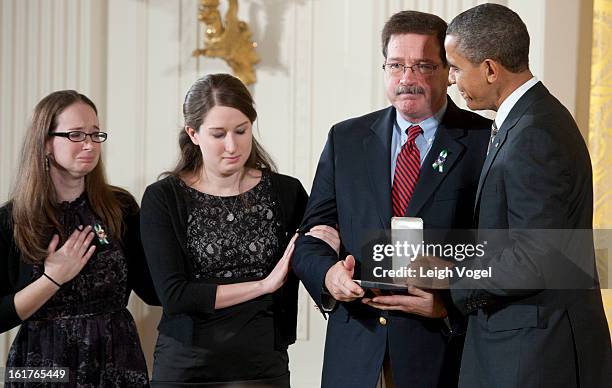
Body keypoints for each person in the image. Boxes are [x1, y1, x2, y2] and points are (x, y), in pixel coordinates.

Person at [292, 10, 491, 388]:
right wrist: (329, 275)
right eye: (396, 65)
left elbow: (500, 250)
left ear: (448, 71)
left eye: (422, 66)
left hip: (441, 354)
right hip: (356, 351)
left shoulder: (484, 140)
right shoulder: (346, 140)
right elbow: (311, 237)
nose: (407, 79)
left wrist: (448, 307)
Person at [444, 3, 612, 387]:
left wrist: (449, 278)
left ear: (489, 68)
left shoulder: (534, 133)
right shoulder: (529, 119)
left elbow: (536, 256)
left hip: (533, 354)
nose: (452, 80)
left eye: (455, 67)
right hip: (524, 345)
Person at [140, 73, 339, 387]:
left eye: (241, 130)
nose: (232, 145)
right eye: (218, 134)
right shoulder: (163, 197)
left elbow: (313, 258)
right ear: (193, 133)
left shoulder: (286, 192)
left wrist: (330, 253)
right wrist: (264, 285)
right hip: (187, 367)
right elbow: (175, 296)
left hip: (263, 363)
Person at [0, 90, 159, 386]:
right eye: (75, 135)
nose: (89, 144)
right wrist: (53, 278)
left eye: (95, 134)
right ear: (46, 144)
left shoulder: (120, 207)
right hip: (42, 366)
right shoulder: (12, 219)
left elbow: (152, 290)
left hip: (116, 360)